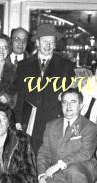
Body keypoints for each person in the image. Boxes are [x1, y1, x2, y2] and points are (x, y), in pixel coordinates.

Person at [35, 88, 97, 183]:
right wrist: (42, 173)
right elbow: (44, 152)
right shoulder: (51, 125)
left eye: (73, 102)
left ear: (81, 105)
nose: (68, 106)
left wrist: (59, 165)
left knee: (73, 169)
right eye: (65, 102)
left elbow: (86, 153)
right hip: (61, 173)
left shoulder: (89, 126)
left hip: (84, 169)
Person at [15, 23, 75, 154]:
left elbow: (72, 94)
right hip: (30, 122)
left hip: (54, 120)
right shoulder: (24, 66)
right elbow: (19, 95)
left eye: (51, 42)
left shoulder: (66, 66)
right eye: (44, 41)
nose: (48, 46)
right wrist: (18, 121)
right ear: (37, 42)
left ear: (55, 44)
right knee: (29, 159)